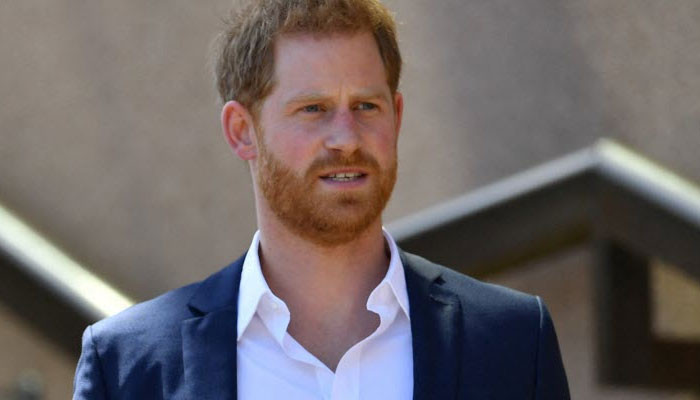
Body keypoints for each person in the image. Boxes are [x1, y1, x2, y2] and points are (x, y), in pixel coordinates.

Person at [73, 0, 570, 398]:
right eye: (313, 109)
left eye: (366, 106)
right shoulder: (127, 366)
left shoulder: (514, 342)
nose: (346, 138)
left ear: (396, 116)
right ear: (242, 130)